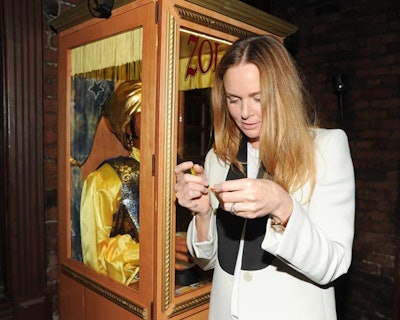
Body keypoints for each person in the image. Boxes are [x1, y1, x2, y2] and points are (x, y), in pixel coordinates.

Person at [174, 35, 355, 319]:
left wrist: (283, 205)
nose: (245, 113)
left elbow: (333, 265)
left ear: (282, 92)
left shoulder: (326, 148)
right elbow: (207, 261)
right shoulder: (217, 159)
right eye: (234, 100)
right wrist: (203, 213)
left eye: (257, 98)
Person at [80, 80, 193, 286]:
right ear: (128, 127)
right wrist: (154, 250)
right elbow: (96, 254)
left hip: (191, 282)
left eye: (164, 114)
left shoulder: (187, 170)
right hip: (139, 288)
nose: (161, 122)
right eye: (149, 115)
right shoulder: (107, 180)